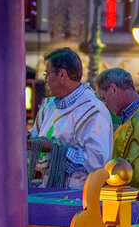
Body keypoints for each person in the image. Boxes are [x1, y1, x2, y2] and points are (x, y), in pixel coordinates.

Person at [28, 48, 113, 189]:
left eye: (47, 75)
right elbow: (36, 136)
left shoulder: (93, 111)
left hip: (74, 197)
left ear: (62, 74)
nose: (46, 81)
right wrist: (29, 138)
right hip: (42, 189)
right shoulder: (49, 106)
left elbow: (97, 163)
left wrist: (55, 148)